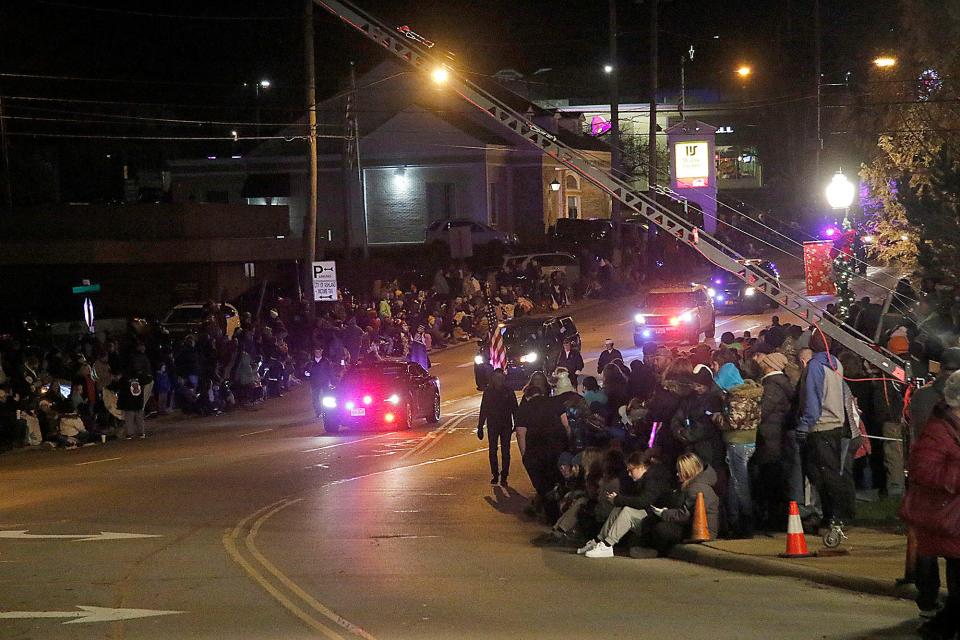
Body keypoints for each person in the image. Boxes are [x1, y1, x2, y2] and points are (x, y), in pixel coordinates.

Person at [902, 370, 960, 640]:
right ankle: (940, 626)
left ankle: (940, 626)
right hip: (948, 519)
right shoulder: (938, 431)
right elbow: (924, 472)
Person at [796, 329, 855, 531]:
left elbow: (813, 400)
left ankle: (834, 518)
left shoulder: (814, 367)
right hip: (836, 424)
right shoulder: (836, 363)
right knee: (832, 473)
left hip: (821, 426)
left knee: (823, 476)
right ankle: (836, 516)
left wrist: (804, 426)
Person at [578, 451, 674, 558]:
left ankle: (607, 545)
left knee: (627, 512)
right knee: (619, 508)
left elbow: (644, 501)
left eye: (631, 470)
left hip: (655, 516)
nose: (629, 473)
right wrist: (618, 500)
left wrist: (618, 499)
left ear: (641, 467)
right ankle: (598, 540)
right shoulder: (643, 479)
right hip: (649, 513)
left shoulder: (653, 479)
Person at [515, 384, 568, 522]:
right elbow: (566, 425)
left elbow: (521, 433)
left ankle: (552, 517)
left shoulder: (524, 409)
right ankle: (563, 513)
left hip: (536, 451)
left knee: (543, 485)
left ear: (527, 397)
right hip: (557, 448)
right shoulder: (555, 402)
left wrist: (525, 455)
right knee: (558, 480)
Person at [477, 369, 518, 486]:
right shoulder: (488, 392)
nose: (499, 381)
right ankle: (495, 474)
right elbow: (483, 409)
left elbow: (515, 408)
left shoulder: (509, 391)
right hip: (493, 425)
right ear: (493, 379)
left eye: (501, 378)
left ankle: (504, 475)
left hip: (506, 425)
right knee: (492, 450)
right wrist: (480, 427)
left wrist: (517, 423)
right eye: (496, 378)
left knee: (506, 450)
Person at [303, 347, 335, 419]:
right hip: (314, 382)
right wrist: (306, 374)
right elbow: (305, 371)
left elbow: (330, 372)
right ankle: (318, 412)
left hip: (324, 382)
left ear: (321, 351)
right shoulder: (310, 362)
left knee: (326, 398)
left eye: (319, 351)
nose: (317, 353)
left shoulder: (326, 361)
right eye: (316, 352)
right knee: (315, 398)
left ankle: (326, 412)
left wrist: (333, 382)